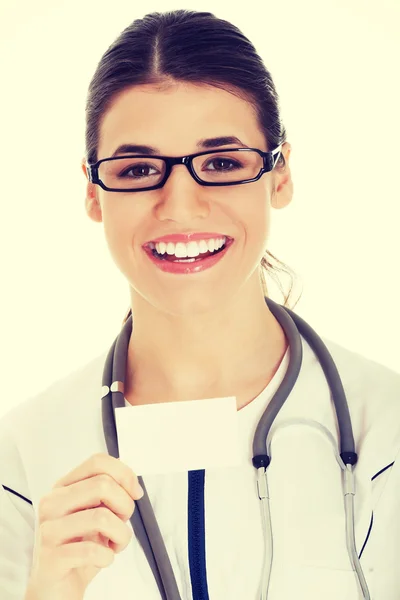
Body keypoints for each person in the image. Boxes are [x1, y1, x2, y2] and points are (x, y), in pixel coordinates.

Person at [0, 8, 399, 600]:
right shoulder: (26, 453)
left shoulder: (384, 429)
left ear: (279, 174)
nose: (180, 206)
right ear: (92, 191)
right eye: (137, 169)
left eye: (221, 163)